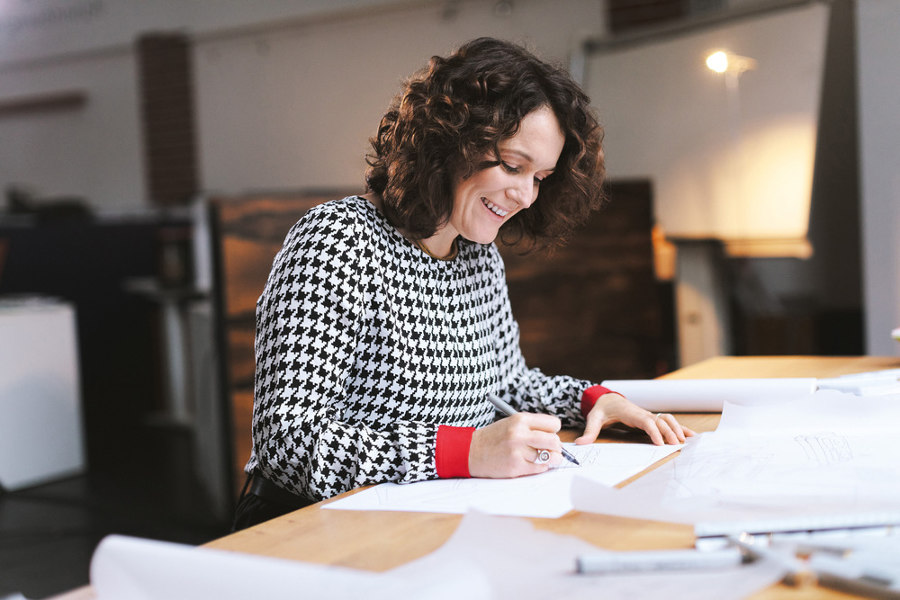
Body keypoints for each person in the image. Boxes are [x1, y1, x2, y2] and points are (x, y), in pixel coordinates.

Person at [232, 37, 694, 531]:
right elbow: (289, 442)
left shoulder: (478, 255)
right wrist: (466, 450)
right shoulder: (338, 240)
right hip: (308, 529)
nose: (524, 195)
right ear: (449, 142)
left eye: (540, 177)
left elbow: (507, 385)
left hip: (420, 520)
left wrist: (594, 400)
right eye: (513, 166)